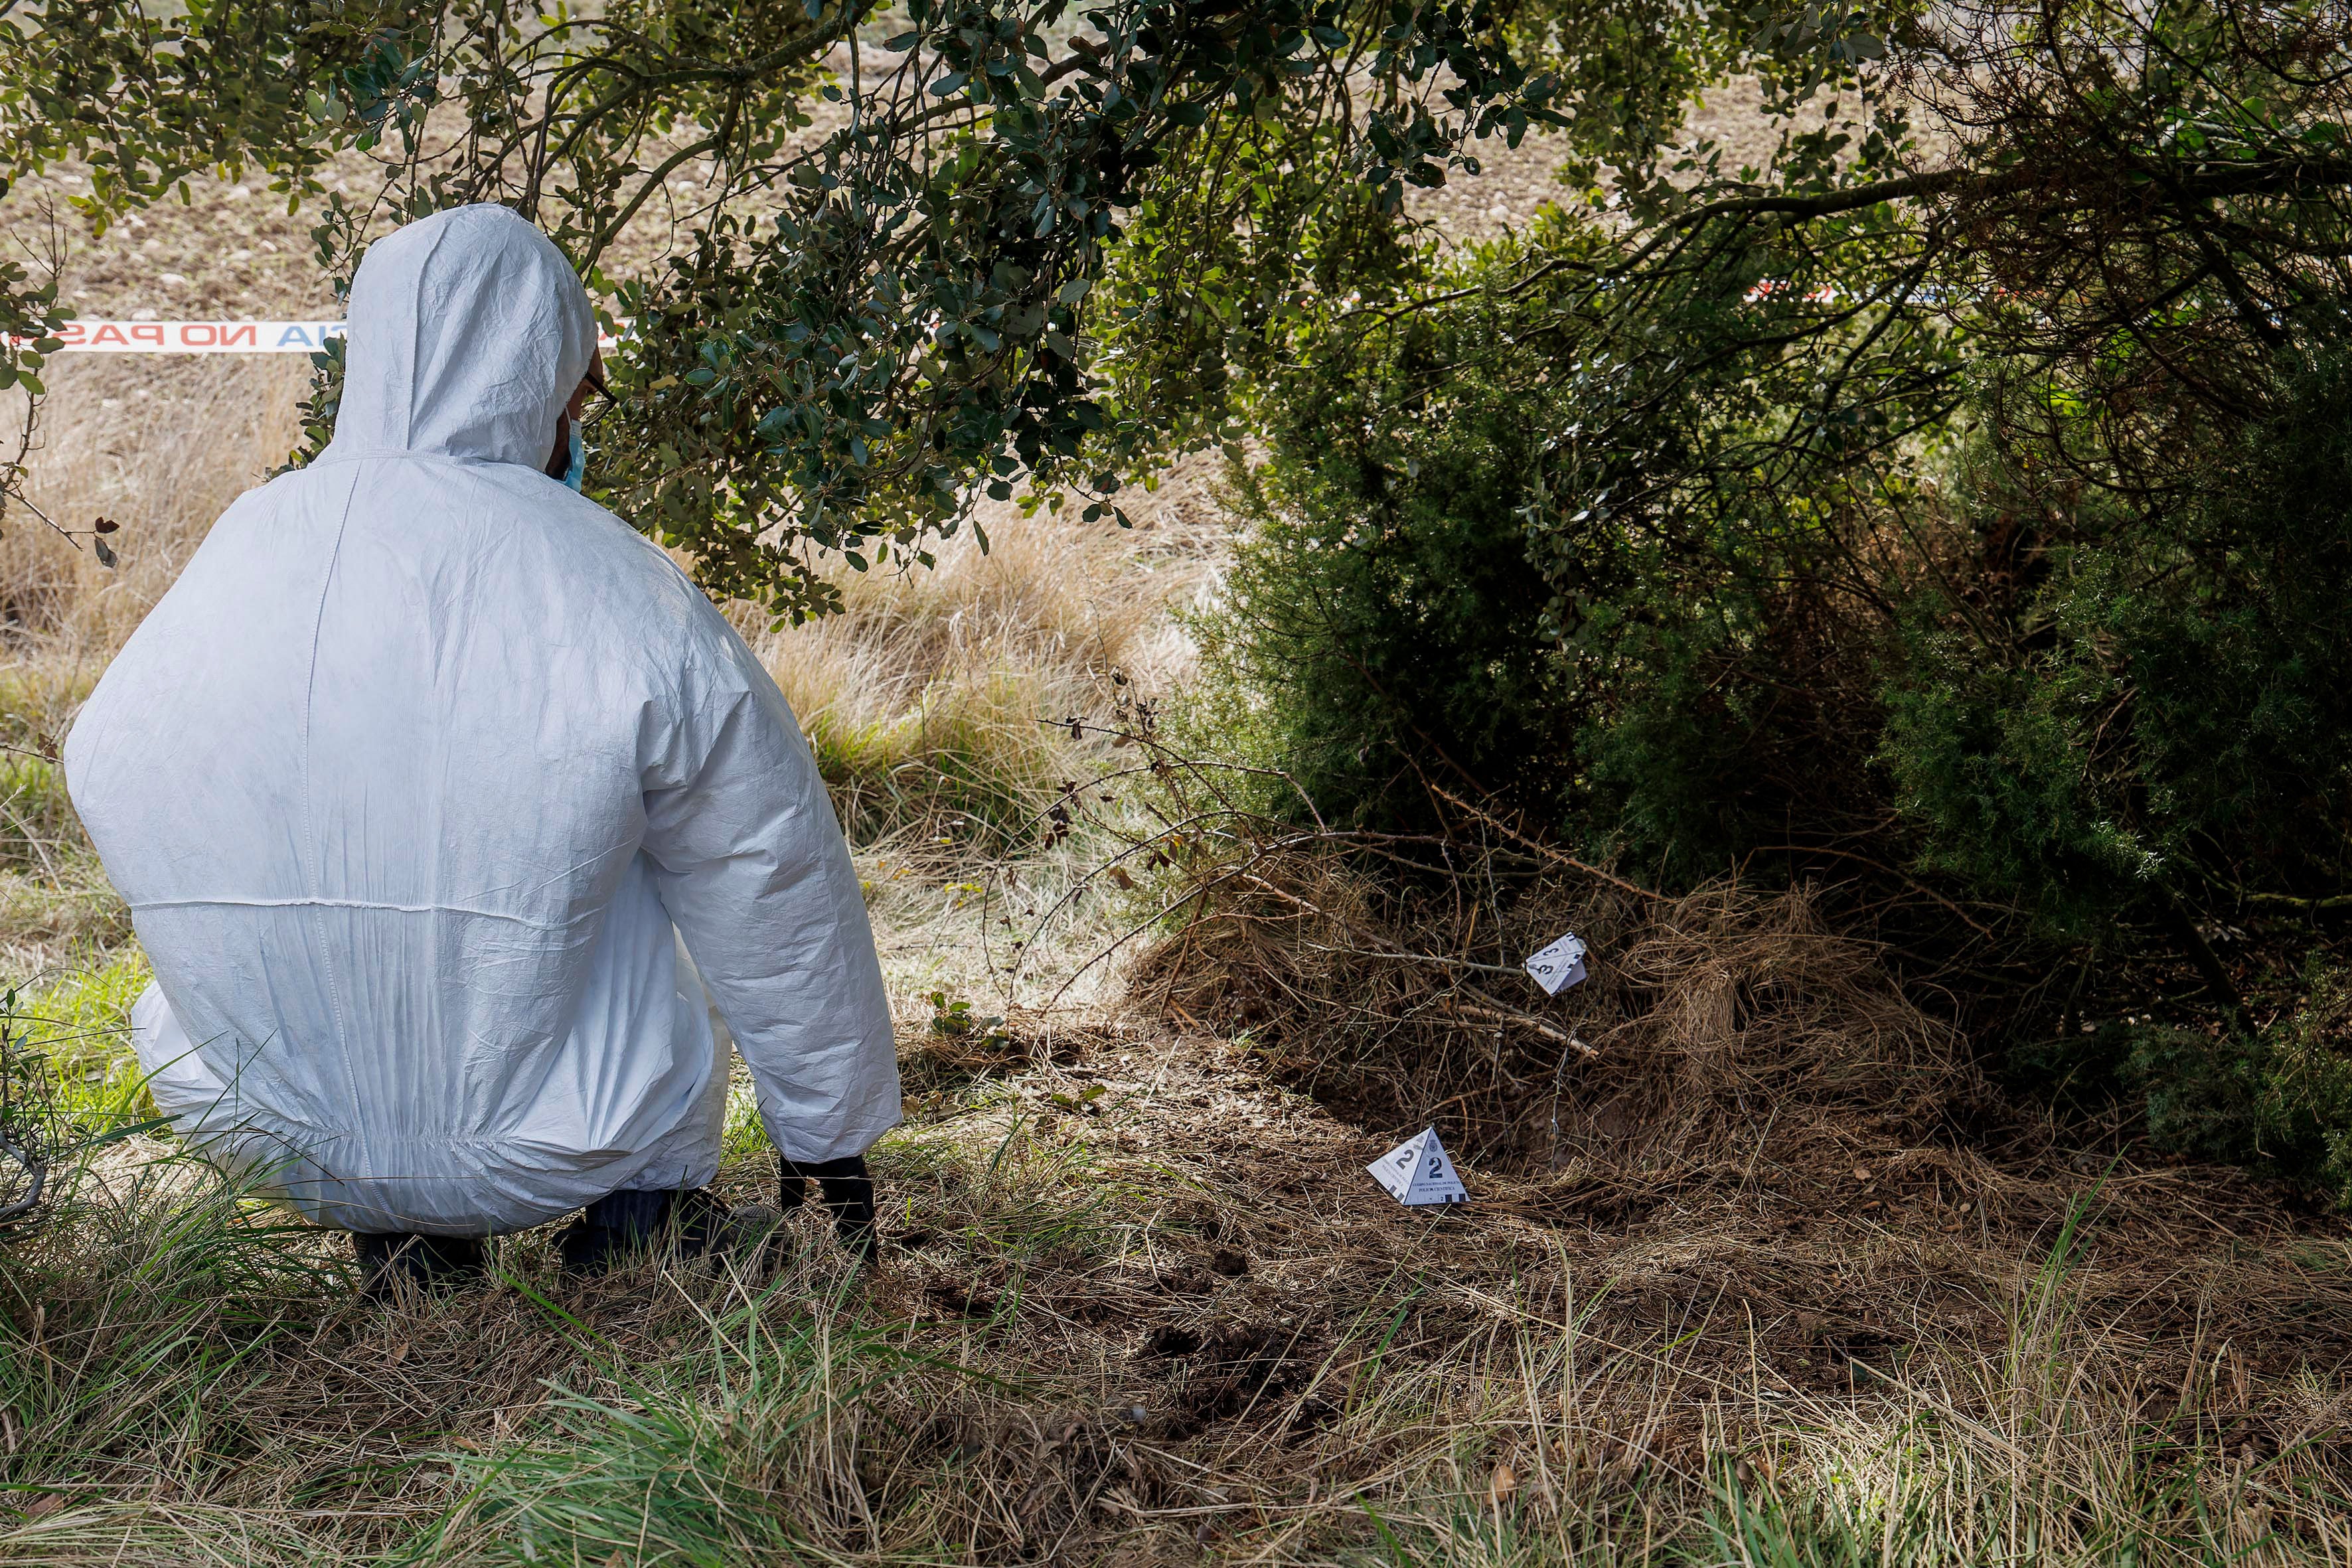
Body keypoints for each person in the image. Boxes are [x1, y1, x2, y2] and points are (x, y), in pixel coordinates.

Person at [64, 204, 900, 1289]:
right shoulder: (611, 576)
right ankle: (639, 1226)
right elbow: (767, 863)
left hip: (271, 1130)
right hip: (566, 1135)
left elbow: (108, 755)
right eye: (578, 394)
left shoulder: (247, 543)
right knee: (670, 861)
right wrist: (826, 1131)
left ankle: (403, 1245)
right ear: (534, 376)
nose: (575, 424)